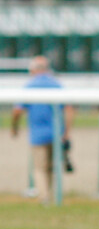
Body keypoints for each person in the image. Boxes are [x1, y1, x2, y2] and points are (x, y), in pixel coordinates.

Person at [11, 56, 74, 203]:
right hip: (57, 133)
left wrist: (14, 127)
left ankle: (44, 196)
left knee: (40, 167)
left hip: (38, 134)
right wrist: (67, 132)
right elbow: (69, 108)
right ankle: (52, 195)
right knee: (52, 167)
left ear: (33, 69)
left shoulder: (29, 86)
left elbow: (17, 110)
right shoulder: (57, 85)